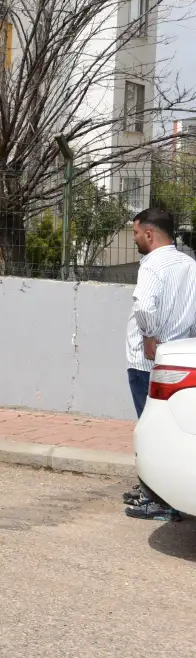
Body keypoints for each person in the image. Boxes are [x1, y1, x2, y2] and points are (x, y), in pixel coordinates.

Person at [123, 207, 196, 520]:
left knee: (150, 428)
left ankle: (159, 501)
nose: (136, 239)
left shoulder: (152, 264)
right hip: (178, 360)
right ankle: (155, 493)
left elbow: (144, 304)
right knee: (168, 430)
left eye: (137, 233)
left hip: (146, 361)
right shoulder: (189, 264)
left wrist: (150, 335)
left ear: (150, 234)